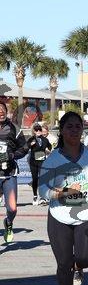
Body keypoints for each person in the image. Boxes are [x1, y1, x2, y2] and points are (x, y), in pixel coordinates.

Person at [38, 111, 88, 285]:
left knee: (86, 258)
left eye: (78, 126)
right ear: (62, 130)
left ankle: (79, 267)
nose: (74, 130)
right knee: (63, 262)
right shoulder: (52, 160)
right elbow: (42, 191)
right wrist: (62, 193)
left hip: (86, 211)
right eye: (69, 126)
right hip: (59, 214)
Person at [0, 102, 28, 243]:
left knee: (12, 209)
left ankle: (9, 222)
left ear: (6, 112)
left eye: (3, 109)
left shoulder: (14, 128)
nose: (0, 111)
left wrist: (12, 155)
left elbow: (24, 148)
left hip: (9, 174)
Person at [27, 123, 52, 205]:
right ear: (34, 131)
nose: (38, 131)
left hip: (42, 160)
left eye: (39, 130)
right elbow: (26, 146)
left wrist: (48, 149)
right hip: (33, 162)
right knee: (35, 179)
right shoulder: (31, 139)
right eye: (36, 130)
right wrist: (30, 145)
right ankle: (35, 195)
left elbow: (50, 146)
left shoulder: (45, 139)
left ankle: (43, 196)